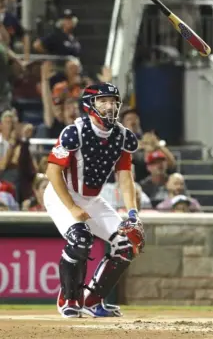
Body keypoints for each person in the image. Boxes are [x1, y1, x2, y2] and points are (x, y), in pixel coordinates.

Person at [43, 83, 145, 318]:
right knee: (80, 239)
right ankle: (69, 299)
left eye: (113, 101)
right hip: (62, 194)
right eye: (103, 101)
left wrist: (132, 214)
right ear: (90, 104)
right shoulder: (74, 132)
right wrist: (71, 207)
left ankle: (92, 301)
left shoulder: (123, 137)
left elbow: (125, 177)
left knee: (126, 244)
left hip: (92, 198)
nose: (109, 106)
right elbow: (52, 172)